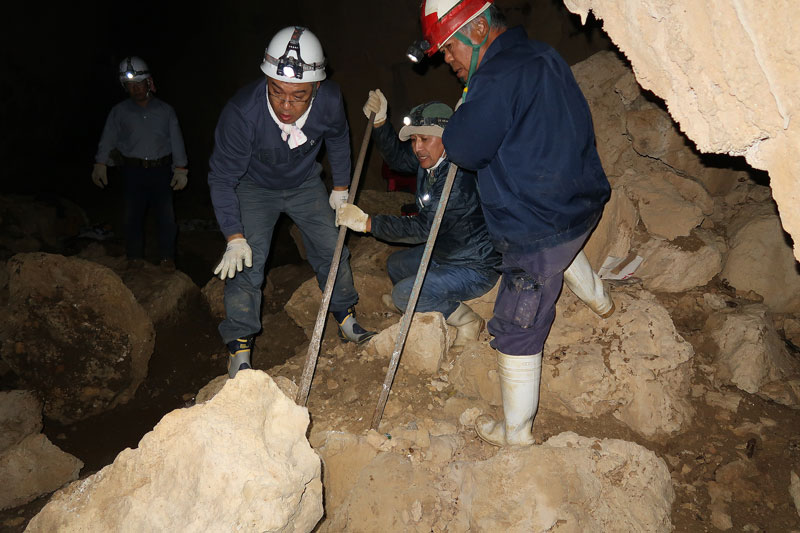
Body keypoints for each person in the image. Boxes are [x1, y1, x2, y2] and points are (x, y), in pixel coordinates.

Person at [414, 0, 612, 446]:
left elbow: (463, 149)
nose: (448, 61)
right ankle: (601, 300)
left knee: (517, 323)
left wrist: (466, 104)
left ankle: (515, 434)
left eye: (449, 49)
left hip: (538, 227)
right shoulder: (541, 54)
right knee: (562, 249)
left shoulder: (495, 78)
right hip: (579, 203)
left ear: (479, 30)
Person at [208, 26, 376, 379]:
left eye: (298, 95)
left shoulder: (329, 101)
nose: (286, 105)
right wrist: (233, 235)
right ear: (266, 80)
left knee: (333, 248)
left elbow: (339, 137)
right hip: (254, 187)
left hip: (304, 184)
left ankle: (345, 316)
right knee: (246, 263)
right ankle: (239, 346)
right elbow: (222, 177)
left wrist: (341, 187)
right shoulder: (242, 114)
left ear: (315, 87)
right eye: (276, 91)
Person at [336, 93, 500, 346]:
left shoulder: (457, 180)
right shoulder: (433, 159)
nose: (417, 147)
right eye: (413, 139)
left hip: (474, 267)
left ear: (447, 137)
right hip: (447, 251)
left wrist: (369, 223)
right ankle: (415, 301)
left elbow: (423, 229)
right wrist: (380, 123)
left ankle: (467, 320)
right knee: (396, 265)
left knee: (404, 292)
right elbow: (398, 159)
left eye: (424, 138)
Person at [92, 56, 188, 272]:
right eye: (130, 85)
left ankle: (167, 259)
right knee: (132, 217)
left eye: (139, 83)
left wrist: (180, 168)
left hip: (161, 171)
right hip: (132, 171)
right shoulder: (119, 112)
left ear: (149, 83)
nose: (135, 89)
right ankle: (134, 258)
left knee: (166, 218)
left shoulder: (166, 111)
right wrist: (101, 163)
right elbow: (108, 138)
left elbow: (176, 140)